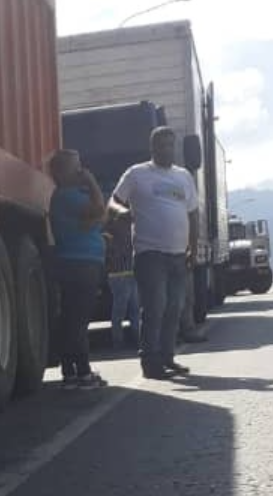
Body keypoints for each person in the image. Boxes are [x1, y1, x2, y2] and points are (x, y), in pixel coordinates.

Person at [110, 126, 198, 379]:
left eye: (171, 145)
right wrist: (121, 212)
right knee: (155, 306)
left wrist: (192, 246)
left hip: (178, 254)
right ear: (153, 148)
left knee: (175, 307)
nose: (168, 150)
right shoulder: (137, 174)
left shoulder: (183, 177)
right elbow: (113, 202)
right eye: (162, 145)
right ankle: (150, 362)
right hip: (150, 253)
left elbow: (192, 213)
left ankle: (168, 357)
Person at [48, 149, 109, 390]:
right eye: (77, 167)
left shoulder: (63, 197)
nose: (81, 171)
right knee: (78, 321)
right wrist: (93, 183)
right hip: (82, 263)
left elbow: (93, 220)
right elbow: (99, 211)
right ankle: (83, 372)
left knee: (70, 318)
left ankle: (70, 372)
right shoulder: (68, 196)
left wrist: (95, 219)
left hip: (71, 261)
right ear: (62, 173)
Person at [104, 209, 140, 350]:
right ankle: (118, 341)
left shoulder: (129, 227)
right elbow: (108, 249)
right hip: (118, 274)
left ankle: (134, 339)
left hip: (129, 272)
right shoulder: (112, 228)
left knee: (133, 309)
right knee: (122, 309)